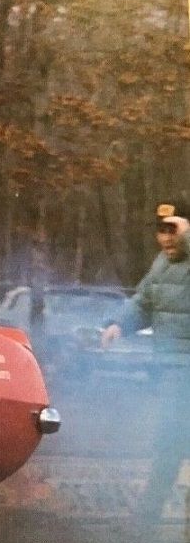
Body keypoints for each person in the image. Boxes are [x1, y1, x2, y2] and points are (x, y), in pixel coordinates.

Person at [101, 201, 190, 521]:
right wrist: (118, 324)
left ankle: (149, 520)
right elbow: (143, 301)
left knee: (174, 440)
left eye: (173, 229)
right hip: (172, 369)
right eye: (161, 230)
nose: (166, 238)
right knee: (169, 442)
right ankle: (146, 521)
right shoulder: (161, 265)